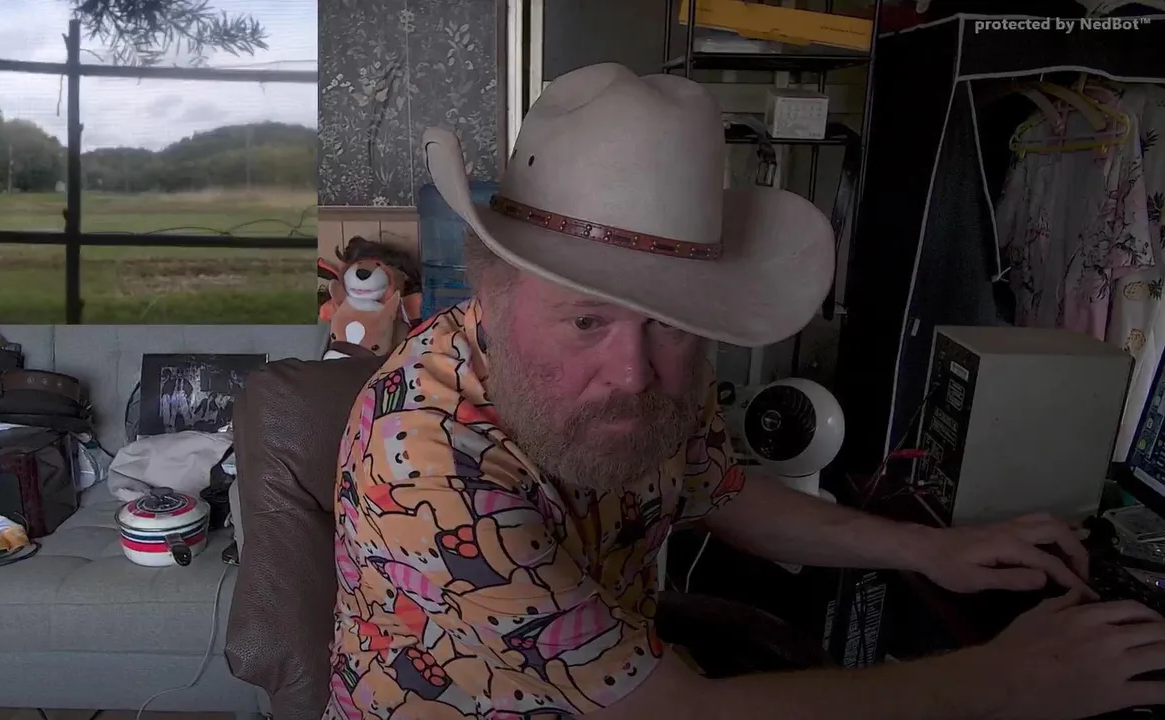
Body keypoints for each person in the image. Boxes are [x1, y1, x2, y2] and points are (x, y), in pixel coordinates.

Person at [324, 62, 1165, 720]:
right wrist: (1010, 682)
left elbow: (719, 490)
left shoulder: (660, 369)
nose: (633, 372)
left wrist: (927, 550)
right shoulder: (426, 461)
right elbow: (675, 713)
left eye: (668, 322)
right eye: (585, 321)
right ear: (494, 293)